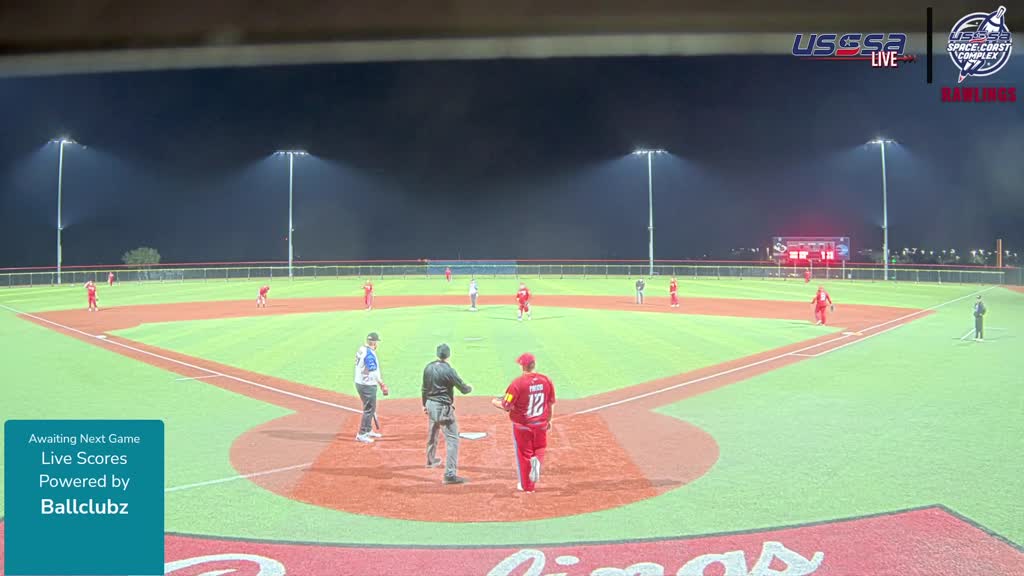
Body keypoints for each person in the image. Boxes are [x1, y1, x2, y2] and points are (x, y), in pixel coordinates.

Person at [492, 353, 556, 493]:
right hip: (540, 424)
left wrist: (495, 402)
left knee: (524, 455)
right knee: (540, 448)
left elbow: (506, 405)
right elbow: (550, 403)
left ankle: (527, 487)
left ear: (523, 366)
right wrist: (549, 420)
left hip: (523, 426)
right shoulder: (546, 380)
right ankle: (537, 461)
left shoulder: (517, 383)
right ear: (534, 364)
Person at [422, 343, 473, 485]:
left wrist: (424, 404)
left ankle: (430, 460)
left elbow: (424, 388)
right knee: (452, 439)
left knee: (433, 431)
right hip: (443, 408)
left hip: (430, 404)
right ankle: (450, 474)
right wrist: (469, 388)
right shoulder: (449, 370)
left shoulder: (428, 367)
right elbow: (463, 389)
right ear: (448, 355)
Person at [353, 332, 388, 443]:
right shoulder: (369, 354)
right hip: (367, 385)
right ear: (373, 342)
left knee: (370, 408)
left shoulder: (362, 349)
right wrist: (382, 384)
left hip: (360, 382)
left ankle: (368, 430)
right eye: (376, 341)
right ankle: (362, 434)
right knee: (369, 409)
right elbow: (373, 372)